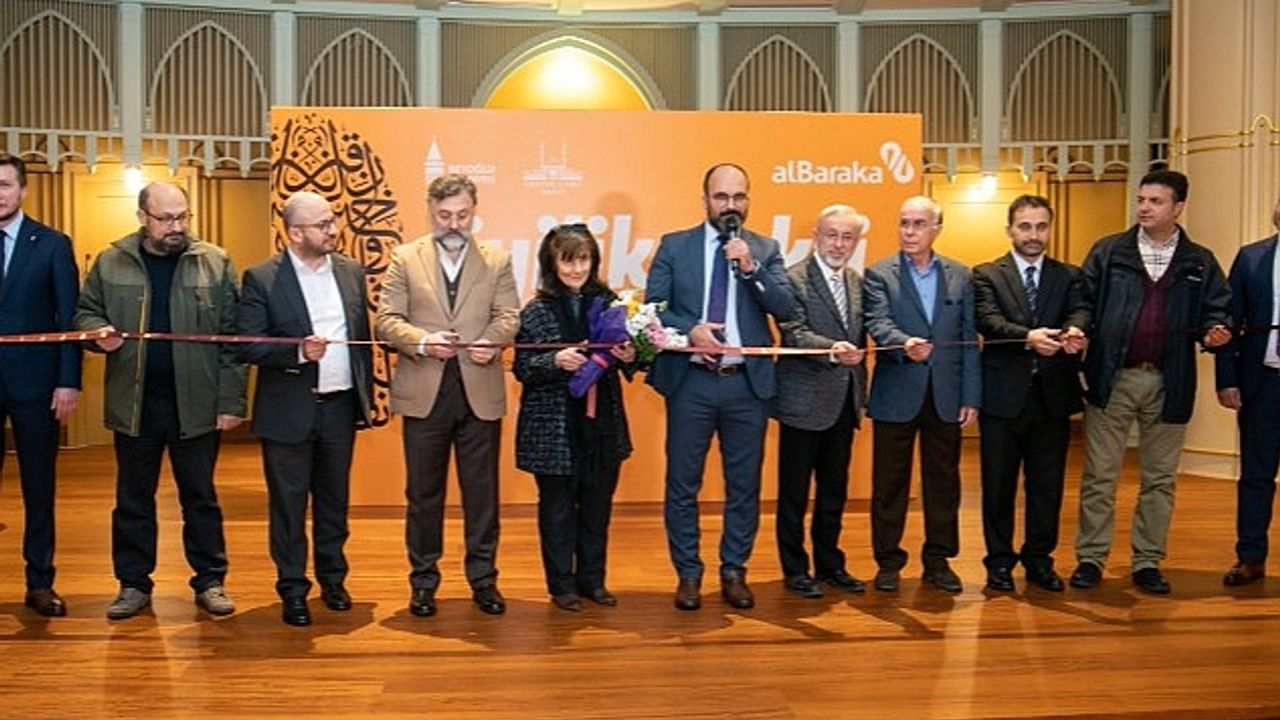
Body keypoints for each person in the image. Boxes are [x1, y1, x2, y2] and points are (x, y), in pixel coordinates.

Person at [74, 181, 247, 619]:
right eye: (166, 218)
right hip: (134, 403)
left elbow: (233, 339)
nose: (177, 226)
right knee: (133, 499)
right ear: (142, 218)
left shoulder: (214, 261)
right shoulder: (111, 260)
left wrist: (231, 403)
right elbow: (85, 312)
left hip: (197, 404)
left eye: (183, 216)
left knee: (200, 497)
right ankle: (133, 584)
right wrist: (96, 334)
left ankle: (210, 581)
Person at [1071, 169, 1231, 595]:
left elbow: (1218, 311)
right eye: (1141, 199)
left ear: (1178, 207)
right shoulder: (1109, 251)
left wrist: (1215, 331)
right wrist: (1078, 328)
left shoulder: (1200, 261)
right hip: (1112, 378)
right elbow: (1083, 301)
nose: (1144, 207)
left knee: (1159, 479)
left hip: (1169, 382)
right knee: (1100, 475)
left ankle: (1147, 561)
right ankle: (1090, 558)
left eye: (1155, 201)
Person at [645, 162, 796, 611]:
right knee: (682, 483)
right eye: (721, 197)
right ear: (705, 200)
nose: (731, 205)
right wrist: (690, 329)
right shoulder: (675, 245)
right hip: (690, 381)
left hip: (745, 385)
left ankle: (734, 570)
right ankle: (688, 573)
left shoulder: (765, 249)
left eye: (739, 197)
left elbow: (785, 307)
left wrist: (750, 268)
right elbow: (654, 308)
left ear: (748, 201)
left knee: (744, 485)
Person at [375, 173, 519, 617]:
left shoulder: (496, 259)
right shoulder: (405, 258)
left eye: (462, 214)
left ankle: (484, 580)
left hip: (479, 391)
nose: (454, 224)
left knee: (482, 495)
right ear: (430, 211)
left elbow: (509, 314)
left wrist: (493, 340)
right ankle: (423, 583)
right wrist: (421, 341)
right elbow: (386, 320)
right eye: (444, 215)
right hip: (425, 392)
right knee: (423, 495)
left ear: (473, 211)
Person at [237, 191, 374, 626]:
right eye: (323, 224)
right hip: (287, 411)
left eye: (333, 220)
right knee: (289, 507)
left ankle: (334, 580)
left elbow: (362, 338)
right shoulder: (262, 278)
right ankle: (293, 589)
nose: (334, 230)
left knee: (334, 503)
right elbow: (248, 344)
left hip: (339, 407)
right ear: (295, 233)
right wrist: (296, 351)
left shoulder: (351, 271)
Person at [513, 224, 635, 612]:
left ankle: (593, 581)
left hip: (602, 427)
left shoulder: (611, 304)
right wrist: (555, 360)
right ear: (552, 264)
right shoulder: (536, 311)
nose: (576, 269)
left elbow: (634, 358)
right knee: (557, 511)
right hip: (554, 429)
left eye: (583, 260)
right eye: (567, 261)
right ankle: (561, 585)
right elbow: (522, 368)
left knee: (598, 508)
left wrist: (632, 355)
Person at [863, 195, 980, 594]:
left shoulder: (960, 275)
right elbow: (877, 322)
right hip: (896, 391)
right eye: (904, 223)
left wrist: (971, 395)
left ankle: (939, 561)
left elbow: (968, 339)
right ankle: (888, 562)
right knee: (889, 484)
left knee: (943, 483)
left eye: (918, 224)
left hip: (946, 394)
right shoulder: (879, 274)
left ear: (936, 229)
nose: (909, 231)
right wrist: (903, 342)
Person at [972, 195, 1088, 593]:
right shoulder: (987, 274)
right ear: (1010, 230)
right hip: (1002, 400)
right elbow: (987, 321)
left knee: (1046, 488)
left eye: (1041, 226)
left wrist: (1075, 331)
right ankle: (999, 563)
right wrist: (1028, 337)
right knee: (998, 487)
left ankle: (1039, 560)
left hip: (1052, 399)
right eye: (1025, 226)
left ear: (1049, 229)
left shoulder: (1069, 275)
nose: (1033, 234)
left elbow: (1080, 311)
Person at [774, 204, 869, 598]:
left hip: (844, 403)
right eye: (831, 235)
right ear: (815, 236)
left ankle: (830, 564)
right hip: (802, 402)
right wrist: (833, 350)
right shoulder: (792, 279)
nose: (838, 244)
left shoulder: (857, 281)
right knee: (794, 494)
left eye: (848, 237)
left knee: (833, 491)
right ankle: (795, 569)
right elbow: (793, 332)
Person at [0, 153, 80, 617]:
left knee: (38, 487)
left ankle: (40, 582)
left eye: (6, 185)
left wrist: (68, 380)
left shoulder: (51, 244)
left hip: (36, 384)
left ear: (23, 190)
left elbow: (68, 318)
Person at [1215, 195, 1280, 587]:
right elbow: (1228, 322)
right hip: (1263, 384)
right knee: (1256, 475)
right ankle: (1250, 558)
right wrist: (1227, 379)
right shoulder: (1251, 258)